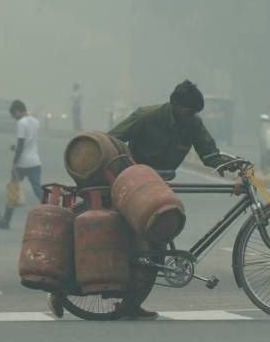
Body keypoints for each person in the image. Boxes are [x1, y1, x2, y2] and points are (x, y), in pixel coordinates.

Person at [46, 80, 241, 320]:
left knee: (156, 246)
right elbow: (110, 142)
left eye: (194, 113)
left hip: (159, 189)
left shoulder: (192, 124)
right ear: (176, 104)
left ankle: (130, 304)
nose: (191, 116)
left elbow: (209, 155)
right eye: (189, 111)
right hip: (132, 186)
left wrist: (233, 166)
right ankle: (61, 290)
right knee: (114, 241)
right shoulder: (146, 117)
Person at [0, 100, 42, 229]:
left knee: (13, 191)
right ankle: (55, 213)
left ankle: (6, 221)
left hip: (22, 164)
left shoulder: (21, 123)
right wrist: (17, 147)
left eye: (14, 115)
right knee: (39, 191)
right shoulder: (35, 121)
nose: (14, 118)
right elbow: (28, 142)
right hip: (35, 162)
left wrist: (14, 163)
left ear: (18, 111)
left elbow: (20, 145)